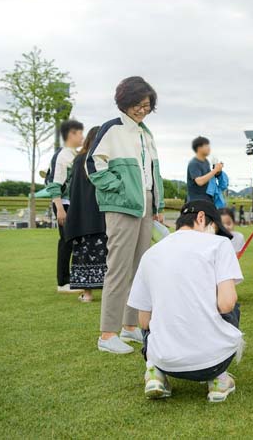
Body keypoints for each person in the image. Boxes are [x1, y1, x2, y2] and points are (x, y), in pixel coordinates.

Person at [128, 200, 242, 403]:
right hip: (213, 362)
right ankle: (218, 380)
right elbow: (226, 304)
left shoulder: (150, 254)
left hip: (165, 361)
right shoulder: (220, 244)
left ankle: (154, 373)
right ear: (201, 218)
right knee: (235, 306)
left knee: (153, 318)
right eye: (214, 228)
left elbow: (144, 322)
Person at [87, 76, 166, 354]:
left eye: (146, 105)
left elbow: (153, 173)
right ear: (124, 102)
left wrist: (157, 205)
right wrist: (119, 188)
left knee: (140, 269)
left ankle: (130, 326)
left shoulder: (146, 133)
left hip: (145, 205)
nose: (142, 110)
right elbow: (93, 164)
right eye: (137, 104)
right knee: (119, 269)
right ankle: (107, 335)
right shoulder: (113, 128)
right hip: (122, 206)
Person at [65, 126, 107, 303]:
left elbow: (73, 190)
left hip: (81, 217)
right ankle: (108, 294)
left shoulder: (78, 159)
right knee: (107, 254)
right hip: (101, 215)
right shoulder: (102, 160)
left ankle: (87, 294)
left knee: (83, 254)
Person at [45, 119, 84, 293]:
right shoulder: (62, 155)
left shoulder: (74, 154)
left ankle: (74, 279)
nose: (82, 136)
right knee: (66, 242)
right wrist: (59, 208)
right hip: (64, 204)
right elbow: (54, 183)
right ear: (71, 134)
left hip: (73, 205)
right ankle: (62, 282)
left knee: (74, 242)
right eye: (80, 133)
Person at [187, 136, 223, 203]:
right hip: (196, 202)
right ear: (199, 148)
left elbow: (209, 177)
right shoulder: (194, 163)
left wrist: (218, 171)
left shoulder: (206, 162)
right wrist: (215, 170)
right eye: (206, 146)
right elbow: (200, 182)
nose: (209, 148)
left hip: (207, 200)